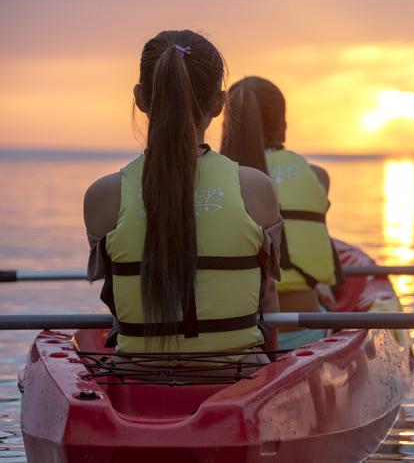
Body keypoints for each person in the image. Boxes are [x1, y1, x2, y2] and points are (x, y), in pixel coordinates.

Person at [82, 31, 283, 370]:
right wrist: (276, 374)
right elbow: (268, 300)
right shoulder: (254, 187)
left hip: (134, 377)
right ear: (219, 104)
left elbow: (116, 298)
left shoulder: (104, 195)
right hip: (238, 377)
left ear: (141, 99)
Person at [221, 76, 343, 350]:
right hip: (304, 331)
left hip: (236, 337)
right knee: (323, 298)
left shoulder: (211, 181)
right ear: (283, 127)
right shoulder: (317, 177)